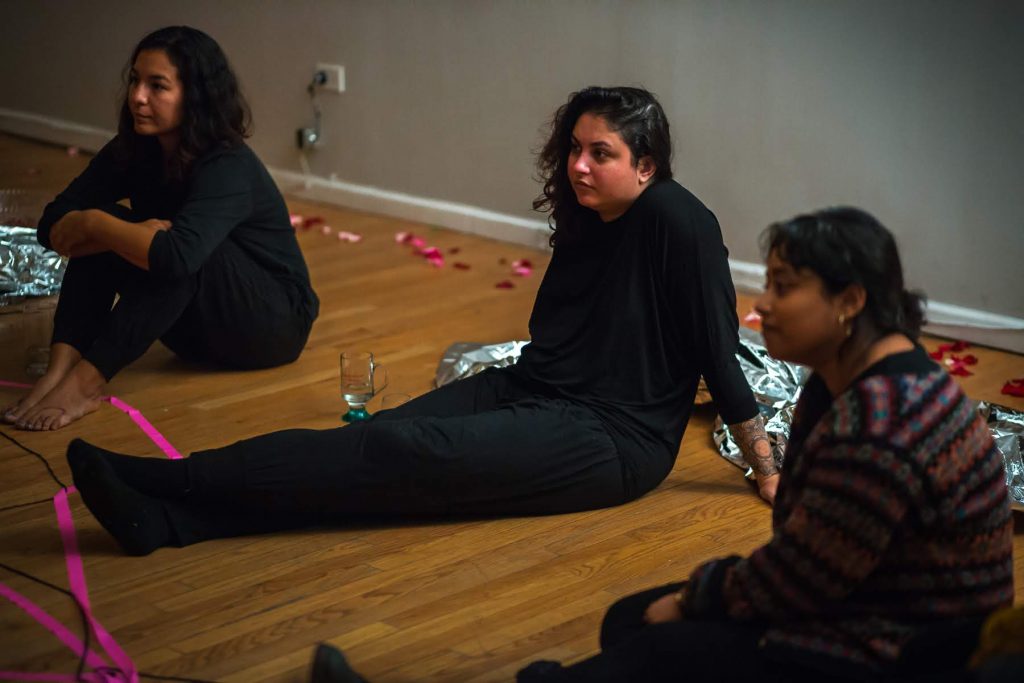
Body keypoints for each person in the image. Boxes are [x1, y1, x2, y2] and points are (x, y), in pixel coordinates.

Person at [63, 86, 772, 557]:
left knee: (404, 457)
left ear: (646, 167)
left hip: (611, 438)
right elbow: (559, 333)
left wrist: (764, 467)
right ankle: (170, 512)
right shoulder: (589, 218)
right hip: (535, 386)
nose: (579, 167)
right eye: (575, 149)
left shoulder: (681, 221)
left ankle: (171, 486)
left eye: (601, 154)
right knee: (387, 441)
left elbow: (718, 346)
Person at [514, 208, 1015, 682]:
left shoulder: (883, 426)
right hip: (857, 596)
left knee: (651, 640)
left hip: (907, 649)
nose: (763, 305)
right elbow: (809, 551)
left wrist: (695, 600)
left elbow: (805, 577)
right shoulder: (847, 379)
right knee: (628, 621)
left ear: (850, 301)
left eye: (785, 287)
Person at [3, 26, 319, 431]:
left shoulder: (227, 164)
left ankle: (84, 386)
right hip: (190, 331)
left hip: (269, 325)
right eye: (135, 80)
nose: (137, 96)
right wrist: (93, 225)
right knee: (124, 239)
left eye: (158, 86)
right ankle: (59, 371)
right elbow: (53, 222)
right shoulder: (132, 149)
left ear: (195, 96)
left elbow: (177, 256)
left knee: (162, 246)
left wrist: (97, 222)